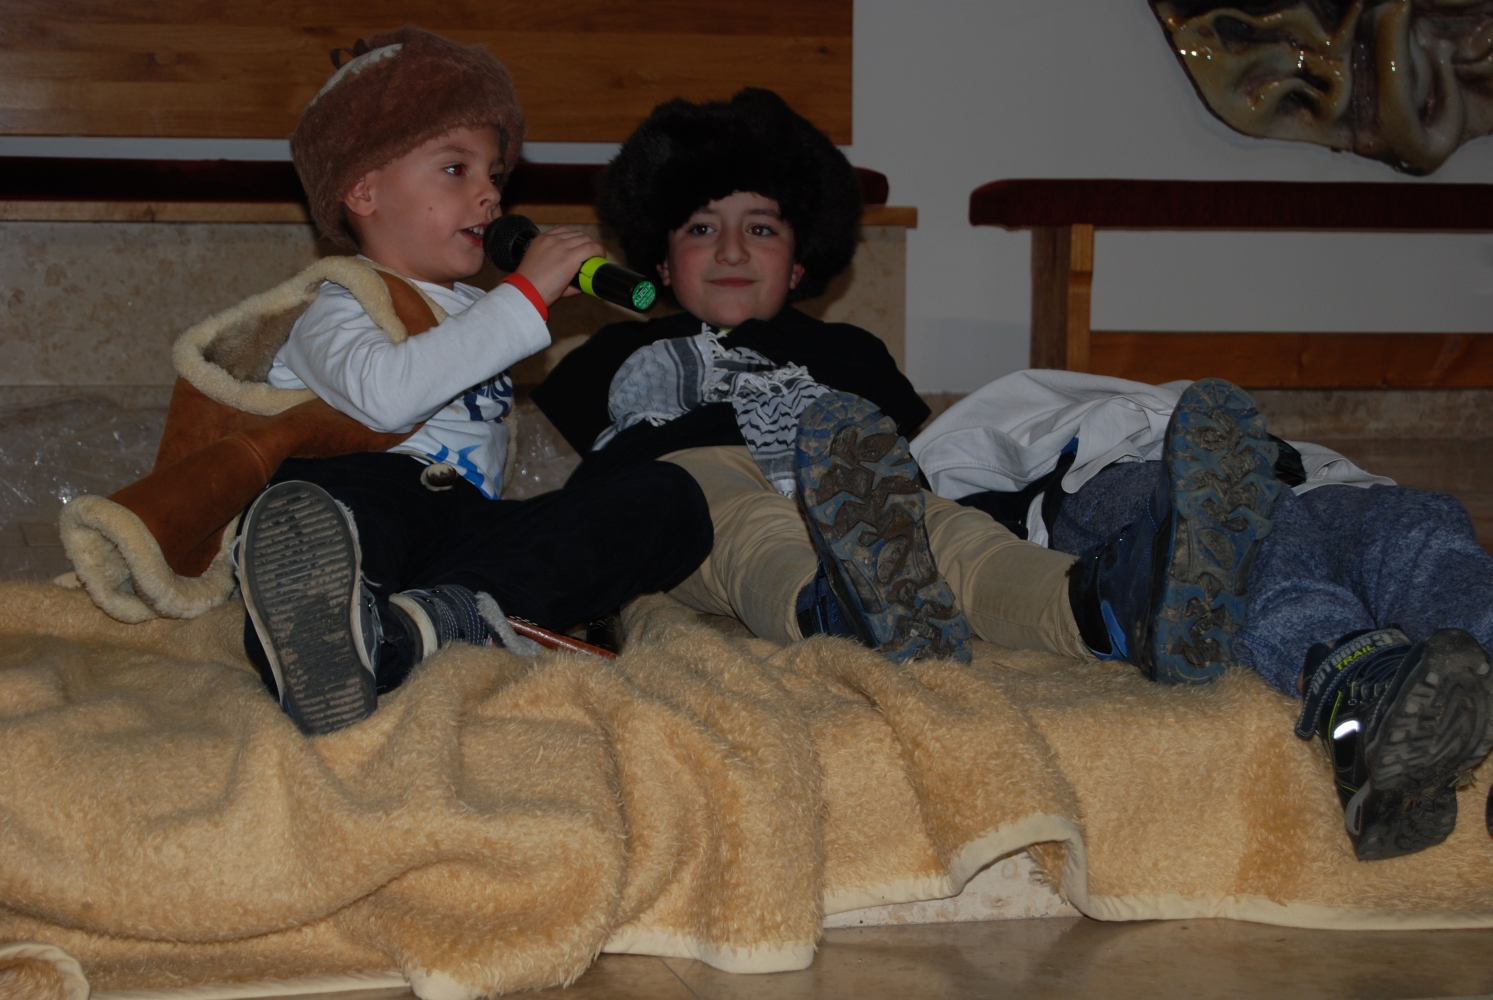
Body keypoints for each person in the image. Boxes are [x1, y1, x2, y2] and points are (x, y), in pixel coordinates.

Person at [531, 89, 1275, 682]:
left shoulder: (847, 351)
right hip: (687, 489)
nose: (730, 249)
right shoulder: (616, 350)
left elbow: (915, 459)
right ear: (660, 264)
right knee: (746, 528)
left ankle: (1110, 606)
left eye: (760, 228)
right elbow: (564, 477)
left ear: (799, 263)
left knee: (958, 538)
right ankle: (836, 606)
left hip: (844, 489)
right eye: (700, 229)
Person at [237, 27, 713, 736]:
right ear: (363, 189)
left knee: (670, 499)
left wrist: (516, 305)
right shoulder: (337, 299)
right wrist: (523, 298)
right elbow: (386, 397)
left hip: (457, 530)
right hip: (367, 502)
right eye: (456, 169)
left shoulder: (479, 310)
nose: (489, 194)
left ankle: (420, 629)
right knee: (329, 504)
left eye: (494, 174)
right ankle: (316, 619)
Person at [913, 370, 1493, 860]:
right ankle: (1356, 695)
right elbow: (970, 513)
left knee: (1417, 523)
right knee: (1250, 534)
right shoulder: (977, 438)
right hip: (1120, 480)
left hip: (1309, 478)